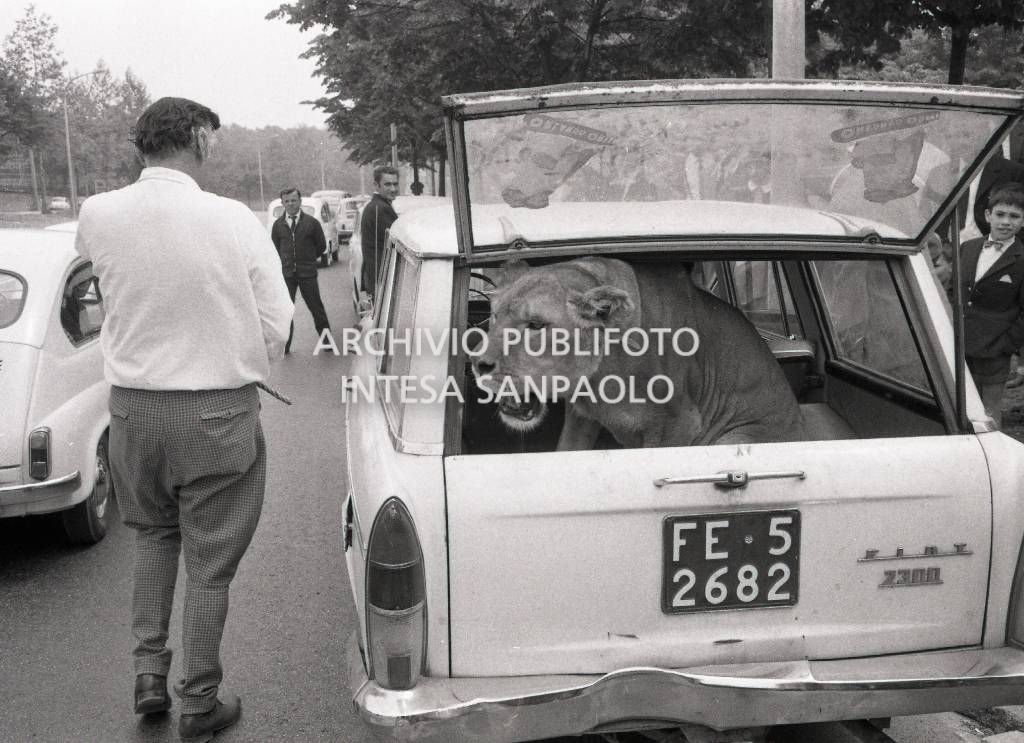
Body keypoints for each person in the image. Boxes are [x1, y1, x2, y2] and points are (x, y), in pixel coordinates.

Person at [75, 97, 293, 743]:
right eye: (213, 138)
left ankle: (148, 674)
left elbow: (101, 282)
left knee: (151, 535)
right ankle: (198, 699)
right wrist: (244, 355)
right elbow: (278, 321)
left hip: (134, 408)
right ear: (197, 136)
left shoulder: (96, 213)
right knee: (210, 562)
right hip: (215, 411)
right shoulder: (232, 218)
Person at [959, 183, 1024, 427]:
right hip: (961, 344)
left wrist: (1006, 344)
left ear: (1023, 221)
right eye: (1000, 214)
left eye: (1014, 216)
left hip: (994, 351)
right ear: (988, 215)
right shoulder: (968, 248)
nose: (1006, 222)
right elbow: (953, 291)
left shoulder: (1021, 260)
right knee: (961, 407)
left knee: (988, 413)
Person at [270, 188, 331, 353]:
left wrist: (308, 260)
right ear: (282, 203)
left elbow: (321, 246)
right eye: (287, 201)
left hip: (308, 274)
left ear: (300, 201)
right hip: (287, 275)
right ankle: (286, 347)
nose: (290, 204)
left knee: (316, 308)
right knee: (286, 312)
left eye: (293, 200)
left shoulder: (312, 223)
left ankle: (327, 343)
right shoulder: (278, 225)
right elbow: (275, 249)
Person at [360, 165, 399, 304]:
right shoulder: (381, 209)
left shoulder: (375, 206)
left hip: (376, 278)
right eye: (387, 184)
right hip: (382, 280)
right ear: (376, 185)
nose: (393, 189)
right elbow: (398, 245)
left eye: (395, 184)